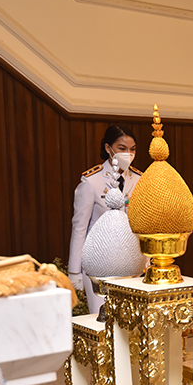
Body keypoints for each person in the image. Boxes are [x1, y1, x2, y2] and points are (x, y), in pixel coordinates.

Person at [69, 125, 141, 314]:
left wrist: (147, 262)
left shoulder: (140, 179)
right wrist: (74, 271)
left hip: (133, 263)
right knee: (102, 319)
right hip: (99, 263)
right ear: (108, 148)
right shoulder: (92, 181)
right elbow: (80, 228)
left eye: (132, 149)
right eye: (122, 148)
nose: (128, 154)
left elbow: (144, 224)